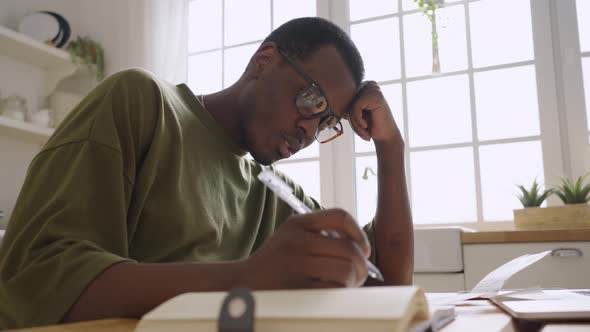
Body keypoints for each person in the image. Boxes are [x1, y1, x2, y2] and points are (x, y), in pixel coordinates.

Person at [0, 17, 413, 329]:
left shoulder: (273, 192)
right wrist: (247, 278)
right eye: (311, 102)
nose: (310, 130)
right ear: (264, 61)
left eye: (327, 124)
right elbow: (38, 281)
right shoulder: (144, 105)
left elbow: (389, 282)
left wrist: (391, 148)